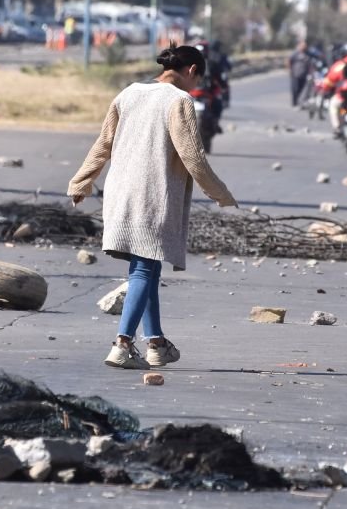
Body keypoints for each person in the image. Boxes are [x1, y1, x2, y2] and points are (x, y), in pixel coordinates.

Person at [67, 45, 237, 370]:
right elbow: (193, 157)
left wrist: (81, 182)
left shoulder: (128, 94)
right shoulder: (179, 101)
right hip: (152, 196)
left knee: (146, 268)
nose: (195, 85)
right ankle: (122, 344)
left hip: (120, 193)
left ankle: (156, 343)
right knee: (145, 269)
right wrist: (221, 193)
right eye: (196, 78)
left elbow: (103, 143)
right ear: (190, 71)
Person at [288, 40, 312, 107]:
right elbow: (289, 61)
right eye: (302, 46)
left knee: (301, 89)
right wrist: (290, 70)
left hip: (304, 74)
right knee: (295, 89)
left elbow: (310, 63)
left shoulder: (307, 53)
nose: (304, 47)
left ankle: (299, 101)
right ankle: (294, 102)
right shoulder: (295, 53)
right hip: (295, 74)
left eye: (305, 46)